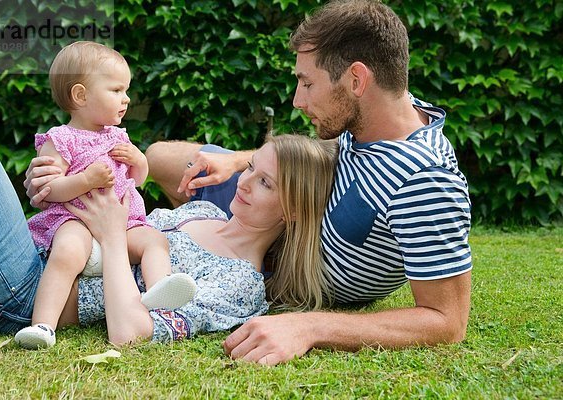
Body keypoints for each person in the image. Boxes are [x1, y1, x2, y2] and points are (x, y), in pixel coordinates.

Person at [142, 0, 473, 365]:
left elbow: (447, 321)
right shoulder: (376, 118)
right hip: (269, 204)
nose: (297, 100)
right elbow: (323, 153)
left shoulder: (424, 180)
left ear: (357, 79)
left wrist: (308, 327)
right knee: (157, 158)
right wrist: (240, 161)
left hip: (274, 252)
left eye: (307, 82)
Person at [0, 100, 337, 347]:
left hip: (24, 298)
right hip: (36, 250)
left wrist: (111, 236)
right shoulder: (203, 212)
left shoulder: (239, 285)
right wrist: (54, 180)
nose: (244, 182)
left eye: (266, 183)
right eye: (251, 168)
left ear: (293, 211)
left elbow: (131, 333)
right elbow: (146, 167)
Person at [14, 41, 197, 349]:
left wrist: (140, 162)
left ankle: (158, 290)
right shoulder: (61, 139)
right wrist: (85, 180)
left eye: (126, 90)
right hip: (76, 219)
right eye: (115, 91)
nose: (125, 99)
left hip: (123, 224)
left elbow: (137, 181)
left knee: (155, 241)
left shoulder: (119, 136)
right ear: (80, 95)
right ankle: (43, 325)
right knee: (68, 252)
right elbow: (50, 188)